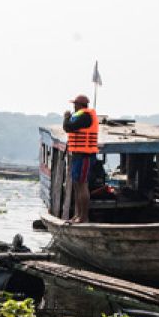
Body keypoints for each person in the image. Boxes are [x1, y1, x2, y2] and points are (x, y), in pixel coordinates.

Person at [62, 94, 99, 222]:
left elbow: (68, 127)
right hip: (78, 155)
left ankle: (84, 217)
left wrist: (66, 117)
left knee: (83, 185)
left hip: (85, 156)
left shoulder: (85, 116)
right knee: (77, 185)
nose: (74, 107)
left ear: (80, 105)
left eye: (75, 104)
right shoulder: (79, 116)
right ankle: (77, 215)